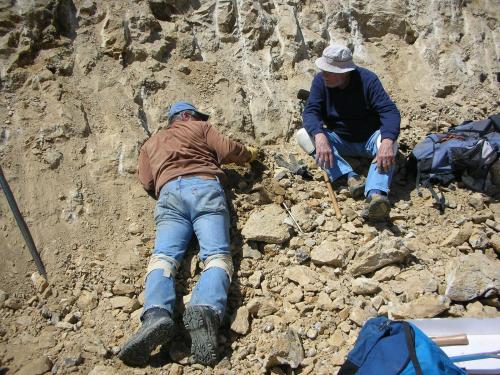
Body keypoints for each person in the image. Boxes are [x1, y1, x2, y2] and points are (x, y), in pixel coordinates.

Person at [119, 101, 257, 367]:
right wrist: (249, 154)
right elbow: (228, 150)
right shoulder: (200, 127)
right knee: (216, 256)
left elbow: (147, 181)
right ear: (187, 116)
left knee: (163, 258)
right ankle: (204, 309)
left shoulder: (152, 142)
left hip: (169, 194)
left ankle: (156, 314)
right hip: (204, 187)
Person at [302, 43, 401, 222]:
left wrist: (386, 141)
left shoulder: (368, 80)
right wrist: (319, 134)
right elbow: (310, 112)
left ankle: (375, 194)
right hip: (339, 139)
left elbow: (389, 112)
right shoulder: (320, 81)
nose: (323, 74)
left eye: (329, 70)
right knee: (304, 135)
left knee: (391, 143)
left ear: (344, 72)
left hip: (369, 138)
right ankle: (350, 176)